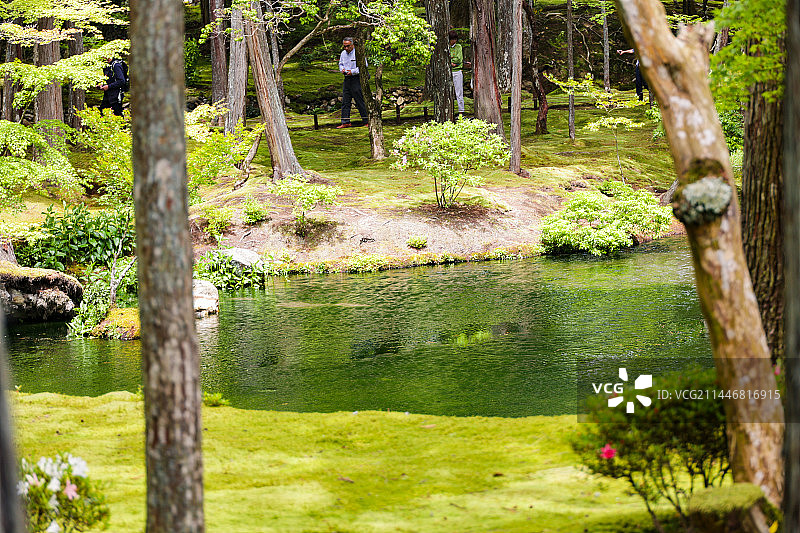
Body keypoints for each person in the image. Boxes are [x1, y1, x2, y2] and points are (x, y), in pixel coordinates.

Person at [337, 37, 368, 129]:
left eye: (348, 46)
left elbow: (364, 66)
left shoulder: (358, 53)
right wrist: (342, 70)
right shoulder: (343, 53)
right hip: (347, 78)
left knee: (359, 100)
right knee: (345, 100)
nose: (346, 48)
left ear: (352, 45)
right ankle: (345, 121)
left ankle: (366, 120)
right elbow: (340, 64)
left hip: (356, 79)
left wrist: (353, 71)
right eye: (344, 46)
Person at [449, 30, 464, 114]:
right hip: (449, 72)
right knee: (448, 93)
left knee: (459, 93)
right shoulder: (447, 47)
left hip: (457, 71)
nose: (454, 41)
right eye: (452, 39)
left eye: (455, 39)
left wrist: (451, 59)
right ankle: (450, 112)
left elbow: (459, 59)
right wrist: (451, 62)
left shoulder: (458, 47)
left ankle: (461, 112)